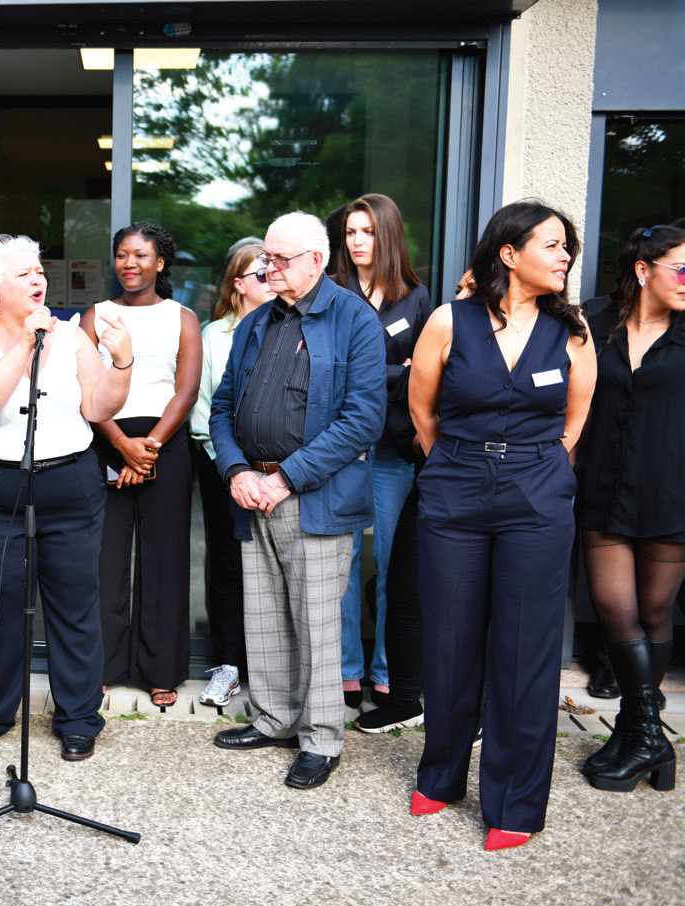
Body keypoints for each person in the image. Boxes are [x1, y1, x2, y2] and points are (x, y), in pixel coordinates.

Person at [407, 200, 596, 850]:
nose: (564, 256)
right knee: (449, 640)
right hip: (454, 489)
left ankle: (514, 802)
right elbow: (421, 409)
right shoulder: (449, 320)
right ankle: (440, 774)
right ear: (509, 253)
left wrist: (537, 466)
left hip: (536, 496)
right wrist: (459, 465)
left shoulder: (571, 330)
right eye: (552, 244)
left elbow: (576, 416)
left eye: (566, 247)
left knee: (524, 652)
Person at [208, 210, 386, 791]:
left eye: (280, 259)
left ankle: (321, 739)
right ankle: (275, 720)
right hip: (251, 491)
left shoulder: (354, 319)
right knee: (263, 617)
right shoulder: (258, 320)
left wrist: (285, 478)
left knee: (316, 624)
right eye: (266, 258)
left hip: (314, 496)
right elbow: (222, 406)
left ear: (316, 260)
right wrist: (236, 470)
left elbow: (363, 419)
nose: (268, 268)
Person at [0, 235, 132, 761]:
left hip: (70, 485)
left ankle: (78, 717)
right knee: (1, 601)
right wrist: (25, 344)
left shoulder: (72, 336)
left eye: (39, 271)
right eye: (24, 273)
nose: (38, 279)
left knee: (75, 603)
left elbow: (99, 407)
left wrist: (122, 364)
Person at [575, 223, 685, 793]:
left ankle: (637, 732)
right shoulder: (596, 323)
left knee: (655, 612)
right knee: (616, 613)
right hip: (604, 489)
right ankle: (646, 736)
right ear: (644, 270)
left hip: (671, 492)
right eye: (682, 269)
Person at [80, 222, 201, 708]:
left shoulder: (182, 318)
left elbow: (186, 391)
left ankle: (160, 669)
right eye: (122, 255)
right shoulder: (95, 316)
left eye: (141, 255)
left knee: (166, 560)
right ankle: (102, 665)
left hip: (164, 445)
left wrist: (146, 447)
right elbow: (82, 387)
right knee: (104, 560)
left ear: (160, 262)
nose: (130, 264)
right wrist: (120, 443)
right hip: (104, 439)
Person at [332, 193, 433, 708]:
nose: (357, 241)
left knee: (396, 565)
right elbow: (333, 370)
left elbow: (428, 374)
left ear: (387, 235)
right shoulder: (332, 292)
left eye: (367, 232)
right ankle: (346, 670)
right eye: (351, 232)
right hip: (343, 450)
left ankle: (389, 670)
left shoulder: (416, 299)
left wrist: (377, 375)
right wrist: (397, 372)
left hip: (395, 449)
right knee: (341, 566)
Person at [188, 239, 270, 706]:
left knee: (275, 567)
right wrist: (232, 466)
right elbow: (202, 411)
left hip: (279, 469)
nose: (271, 277)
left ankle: (271, 671)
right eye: (261, 273)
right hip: (221, 462)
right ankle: (228, 665)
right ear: (238, 284)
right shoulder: (212, 336)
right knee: (227, 564)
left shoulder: (290, 328)